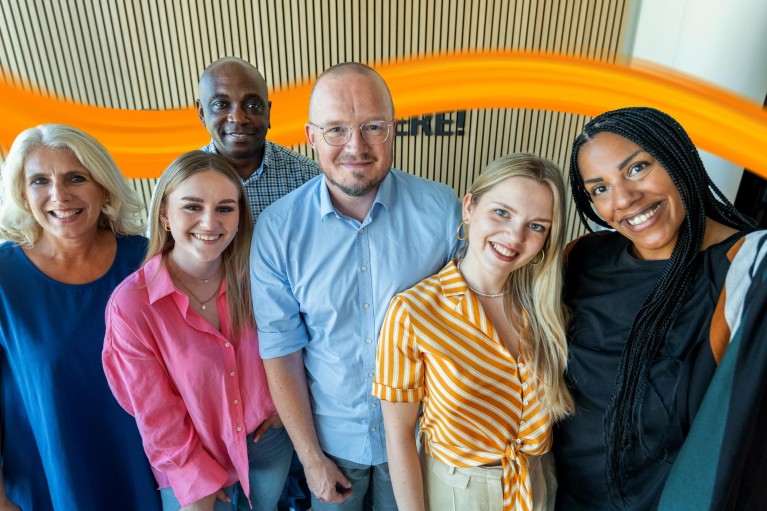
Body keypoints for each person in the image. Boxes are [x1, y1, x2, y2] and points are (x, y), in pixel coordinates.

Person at [250, 62, 462, 511]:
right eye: (336, 129)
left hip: (424, 439)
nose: (356, 146)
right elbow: (281, 350)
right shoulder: (277, 229)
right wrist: (309, 459)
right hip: (330, 443)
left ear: (393, 129)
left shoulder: (443, 211)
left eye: (372, 127)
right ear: (310, 137)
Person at [553, 106, 760, 510]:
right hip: (563, 497)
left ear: (677, 154)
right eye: (600, 189)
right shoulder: (580, 258)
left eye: (637, 168)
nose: (625, 199)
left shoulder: (744, 270)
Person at [374, 153, 573, 511]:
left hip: (537, 480)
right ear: (469, 207)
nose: (514, 236)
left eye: (537, 226)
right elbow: (399, 435)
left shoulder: (547, 308)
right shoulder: (413, 311)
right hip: (458, 492)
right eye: (502, 212)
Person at [102, 151, 293, 511]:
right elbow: (156, 415)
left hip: (266, 445)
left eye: (225, 208)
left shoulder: (260, 277)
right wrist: (194, 479)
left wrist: (283, 408)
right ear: (165, 215)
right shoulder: (131, 305)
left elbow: (294, 343)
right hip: (192, 461)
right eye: (192, 207)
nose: (210, 222)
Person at [0, 124, 160, 510]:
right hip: (54, 481)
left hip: (155, 476)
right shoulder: (4, 279)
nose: (59, 195)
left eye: (76, 177)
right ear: (23, 193)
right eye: (40, 180)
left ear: (103, 187)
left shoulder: (148, 261)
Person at [197, 56, 319, 222]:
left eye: (253, 106)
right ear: (202, 113)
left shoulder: (309, 179)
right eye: (221, 105)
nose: (238, 119)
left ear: (268, 113)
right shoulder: (178, 185)